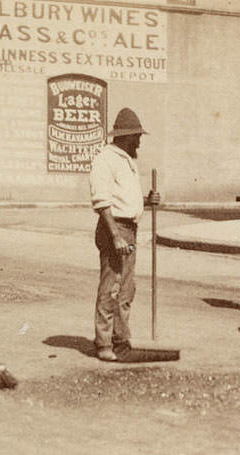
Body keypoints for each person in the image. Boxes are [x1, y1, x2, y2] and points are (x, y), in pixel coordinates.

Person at [89, 107, 159, 362]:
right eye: (136, 136)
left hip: (128, 228)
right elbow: (102, 201)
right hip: (114, 229)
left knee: (127, 289)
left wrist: (147, 201)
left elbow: (123, 199)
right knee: (111, 287)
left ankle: (121, 340)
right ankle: (104, 343)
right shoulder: (105, 159)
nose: (139, 140)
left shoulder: (126, 160)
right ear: (125, 136)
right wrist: (116, 236)